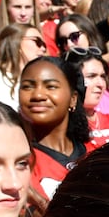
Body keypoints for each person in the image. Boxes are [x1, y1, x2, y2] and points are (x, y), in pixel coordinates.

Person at [19, 55, 90, 199]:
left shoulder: (96, 155)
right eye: (27, 86)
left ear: (73, 99)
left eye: (51, 86)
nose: (38, 95)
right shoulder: (17, 161)